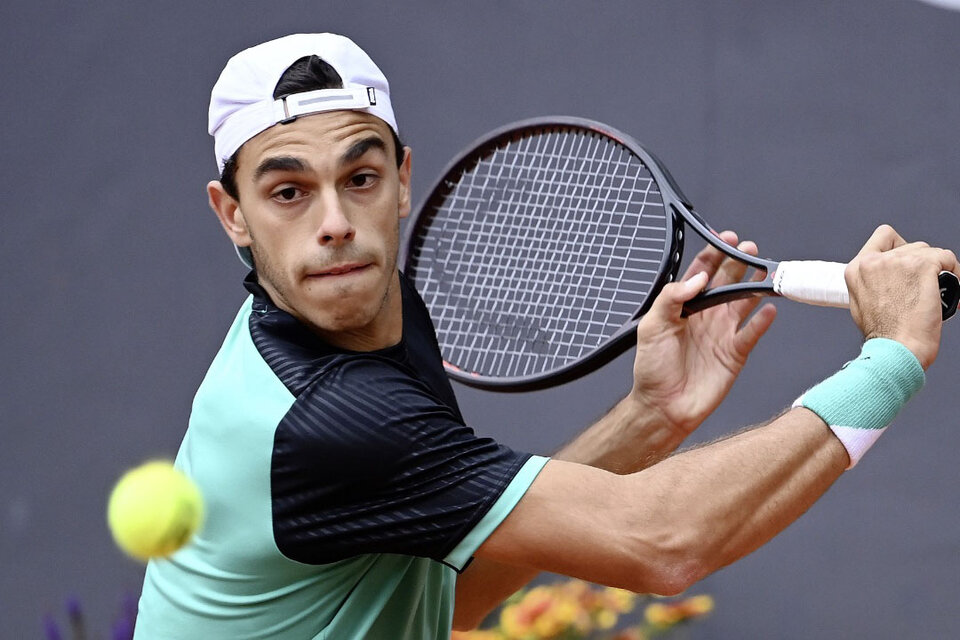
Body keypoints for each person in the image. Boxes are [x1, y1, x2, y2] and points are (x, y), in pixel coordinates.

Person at [134, 33, 959, 639]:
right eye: (288, 192)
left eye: (359, 178)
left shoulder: (365, 311)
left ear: (403, 180)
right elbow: (667, 545)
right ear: (231, 213)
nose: (335, 225)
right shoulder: (327, 419)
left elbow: (450, 592)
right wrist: (891, 358)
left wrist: (650, 421)